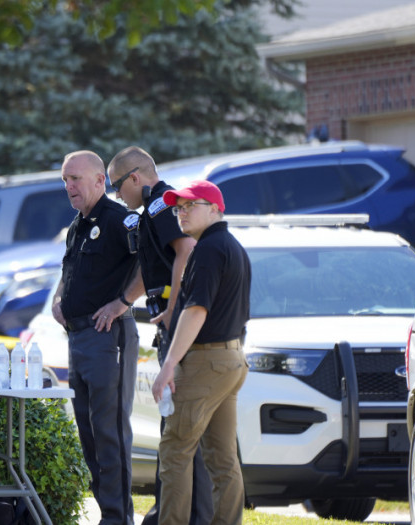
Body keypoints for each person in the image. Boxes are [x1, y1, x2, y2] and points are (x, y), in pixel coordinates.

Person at [105, 146, 210, 525]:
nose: (117, 195)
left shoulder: (160, 205)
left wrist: (174, 308)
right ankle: (171, 511)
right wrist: (122, 302)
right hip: (168, 322)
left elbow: (186, 250)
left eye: (117, 185)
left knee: (179, 428)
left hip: (176, 324)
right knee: (174, 425)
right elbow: (152, 269)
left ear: (135, 177)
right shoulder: (150, 211)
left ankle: (179, 514)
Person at [151, 180, 251, 525]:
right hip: (231, 360)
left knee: (175, 451)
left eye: (190, 205)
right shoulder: (232, 246)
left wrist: (169, 366)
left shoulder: (208, 250)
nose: (181, 213)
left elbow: (196, 311)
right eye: (178, 208)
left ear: (215, 208)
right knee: (222, 460)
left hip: (206, 362)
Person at [52, 150, 139, 525]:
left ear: (100, 180)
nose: (69, 185)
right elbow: (70, 271)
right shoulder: (78, 224)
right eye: (65, 180)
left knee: (110, 433)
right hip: (78, 338)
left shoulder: (120, 219)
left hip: (108, 337)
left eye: (76, 178)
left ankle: (118, 518)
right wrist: (59, 299)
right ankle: (108, 514)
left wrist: (121, 303)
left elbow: (150, 264)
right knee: (88, 433)